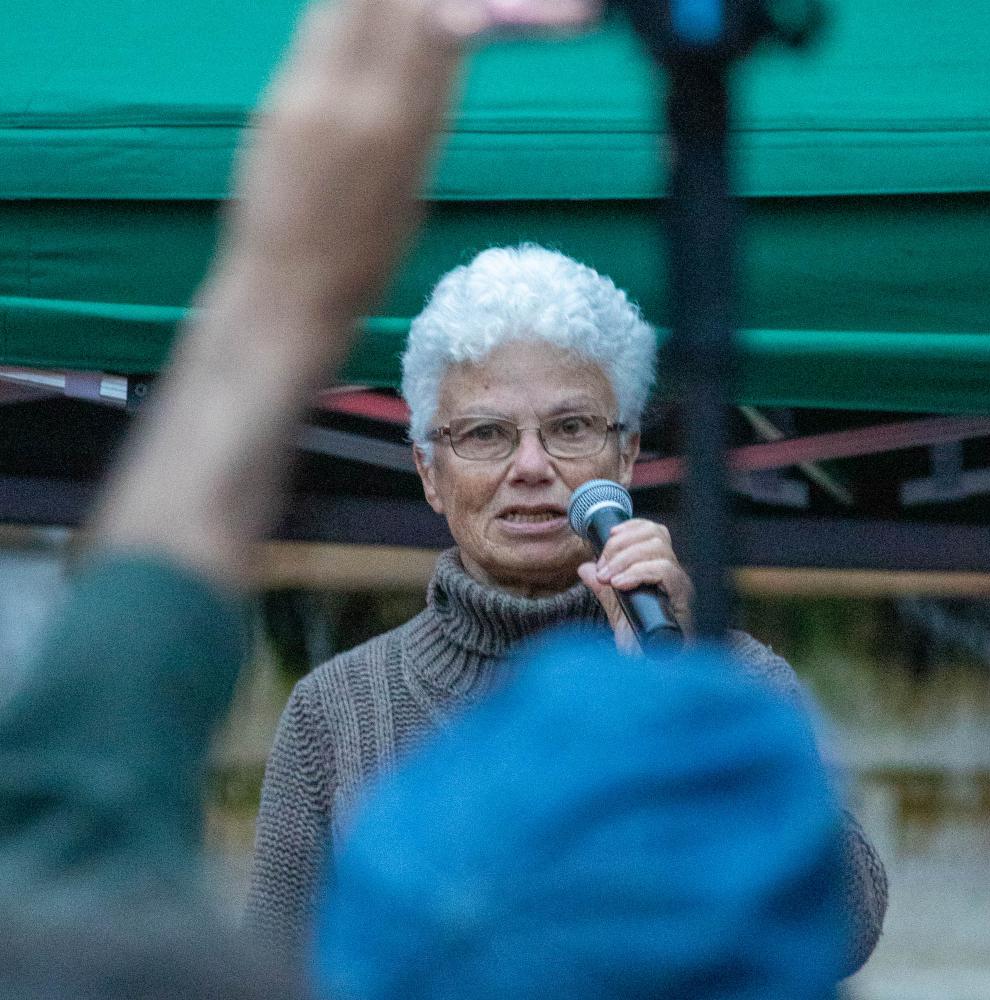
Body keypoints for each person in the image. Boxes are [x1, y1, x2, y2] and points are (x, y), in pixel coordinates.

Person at [245, 244, 888, 974]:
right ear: (429, 470)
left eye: (571, 428)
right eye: (485, 433)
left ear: (627, 455)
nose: (531, 466)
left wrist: (674, 690)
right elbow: (271, 974)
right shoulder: (334, 709)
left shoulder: (722, 673)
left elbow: (848, 926)